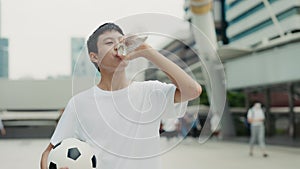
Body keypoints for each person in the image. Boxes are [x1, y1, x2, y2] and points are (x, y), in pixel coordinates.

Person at [40, 23, 202, 169]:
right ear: (94, 56)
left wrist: (148, 52)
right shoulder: (79, 103)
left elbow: (192, 90)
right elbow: (49, 153)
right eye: (109, 42)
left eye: (121, 41)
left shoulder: (150, 92)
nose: (118, 45)